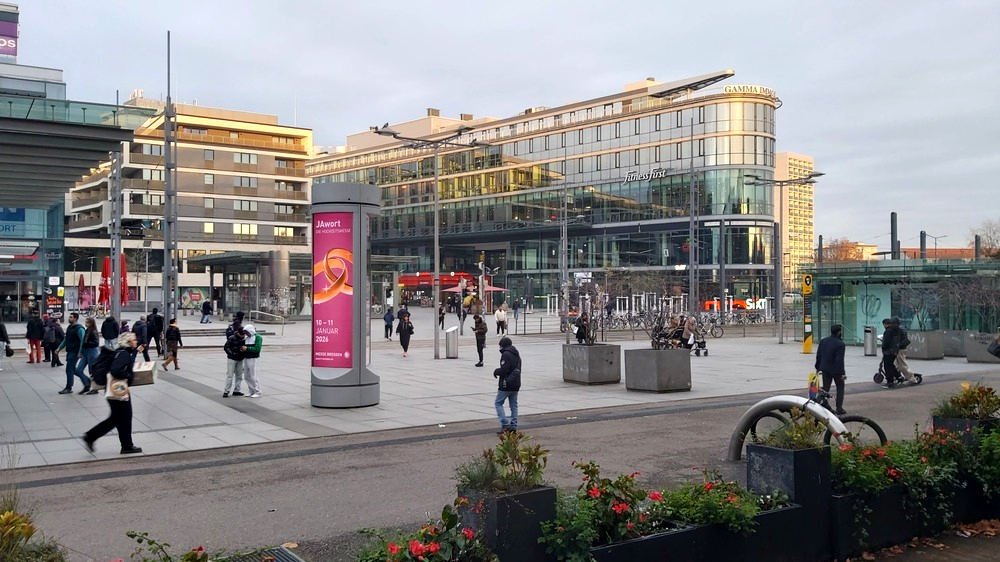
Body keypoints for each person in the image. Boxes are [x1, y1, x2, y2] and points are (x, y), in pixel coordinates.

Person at [82, 331, 143, 455]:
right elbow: (115, 370)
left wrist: (135, 352)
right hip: (118, 390)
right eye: (134, 340)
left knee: (117, 418)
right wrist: (128, 376)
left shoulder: (120, 352)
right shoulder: (124, 354)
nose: (136, 342)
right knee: (124, 418)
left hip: (113, 389)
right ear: (129, 342)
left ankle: (92, 437)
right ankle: (126, 445)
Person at [815, 323, 847, 415]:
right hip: (837, 371)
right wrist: (843, 373)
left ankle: (818, 404)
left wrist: (817, 367)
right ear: (839, 332)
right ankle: (839, 408)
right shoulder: (841, 344)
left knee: (825, 389)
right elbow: (839, 360)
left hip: (825, 369)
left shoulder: (823, 341)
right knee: (840, 388)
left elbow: (819, 355)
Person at [493, 336, 521, 434]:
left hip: (506, 384)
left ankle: (505, 424)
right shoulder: (516, 353)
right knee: (514, 405)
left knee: (498, 403)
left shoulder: (506, 354)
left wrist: (496, 371)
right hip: (516, 383)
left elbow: (504, 370)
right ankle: (513, 425)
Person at [57, 312, 90, 394]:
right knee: (73, 369)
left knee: (69, 369)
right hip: (70, 350)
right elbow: (66, 339)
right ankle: (86, 381)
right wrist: (59, 348)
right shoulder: (70, 327)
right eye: (69, 317)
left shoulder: (79, 329)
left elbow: (82, 341)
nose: (69, 318)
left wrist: (80, 352)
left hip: (75, 352)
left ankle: (69, 387)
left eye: (71, 317)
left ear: (75, 318)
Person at [78, 317, 101, 394]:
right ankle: (87, 383)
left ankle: (95, 388)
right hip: (86, 351)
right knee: (79, 370)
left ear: (91, 323)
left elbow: (96, 343)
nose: (86, 324)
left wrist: (87, 343)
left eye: (87, 322)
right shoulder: (87, 330)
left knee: (92, 370)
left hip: (92, 351)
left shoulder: (93, 332)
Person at [890, 317, 917, 384]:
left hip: (900, 349)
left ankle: (912, 379)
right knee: (896, 365)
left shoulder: (899, 330)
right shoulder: (899, 329)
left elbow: (902, 339)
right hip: (899, 348)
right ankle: (897, 377)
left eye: (892, 323)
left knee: (902, 366)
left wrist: (898, 345)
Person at [241, 324, 263, 398]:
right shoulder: (247, 338)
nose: (246, 334)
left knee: (253, 375)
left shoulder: (258, 337)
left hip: (253, 358)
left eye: (247, 332)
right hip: (246, 357)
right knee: (246, 375)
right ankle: (251, 390)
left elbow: (257, 349)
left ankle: (257, 391)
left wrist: (247, 348)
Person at [223, 326, 246, 398]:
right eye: (241, 334)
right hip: (232, 358)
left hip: (240, 358)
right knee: (230, 375)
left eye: (243, 334)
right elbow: (226, 347)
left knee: (239, 375)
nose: (242, 336)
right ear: (238, 333)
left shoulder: (244, 339)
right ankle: (226, 391)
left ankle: (237, 390)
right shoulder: (232, 338)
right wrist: (231, 353)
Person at [880, 318, 903, 387]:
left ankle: (890, 382)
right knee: (891, 365)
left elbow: (886, 342)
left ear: (885, 324)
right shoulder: (897, 330)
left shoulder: (888, 331)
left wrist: (883, 347)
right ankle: (898, 376)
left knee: (887, 367)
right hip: (894, 350)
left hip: (888, 351)